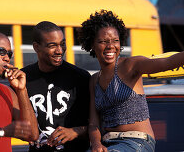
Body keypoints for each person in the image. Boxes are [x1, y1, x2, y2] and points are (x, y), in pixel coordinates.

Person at [78, 9, 184, 152]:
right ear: (92, 44)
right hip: (108, 144)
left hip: (137, 142)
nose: (110, 46)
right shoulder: (94, 80)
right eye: (103, 41)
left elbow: (167, 62)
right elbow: (93, 124)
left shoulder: (131, 65)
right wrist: (96, 144)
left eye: (115, 41)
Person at [21, 21, 90, 152]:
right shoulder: (23, 79)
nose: (59, 50)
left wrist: (75, 132)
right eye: (52, 46)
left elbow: (98, 125)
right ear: (36, 47)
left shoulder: (81, 78)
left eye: (62, 44)